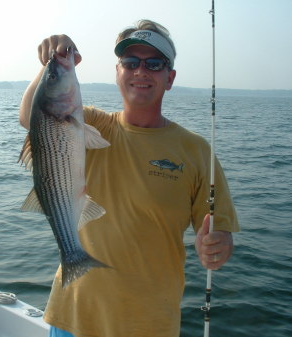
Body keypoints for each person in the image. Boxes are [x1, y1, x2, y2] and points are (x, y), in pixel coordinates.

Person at [19, 19, 239, 337]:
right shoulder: (92, 125)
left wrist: (219, 247)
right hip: (73, 318)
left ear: (170, 77)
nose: (140, 71)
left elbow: (220, 232)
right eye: (130, 62)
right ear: (118, 72)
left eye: (154, 63)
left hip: (149, 325)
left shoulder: (196, 151)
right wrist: (53, 63)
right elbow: (31, 117)